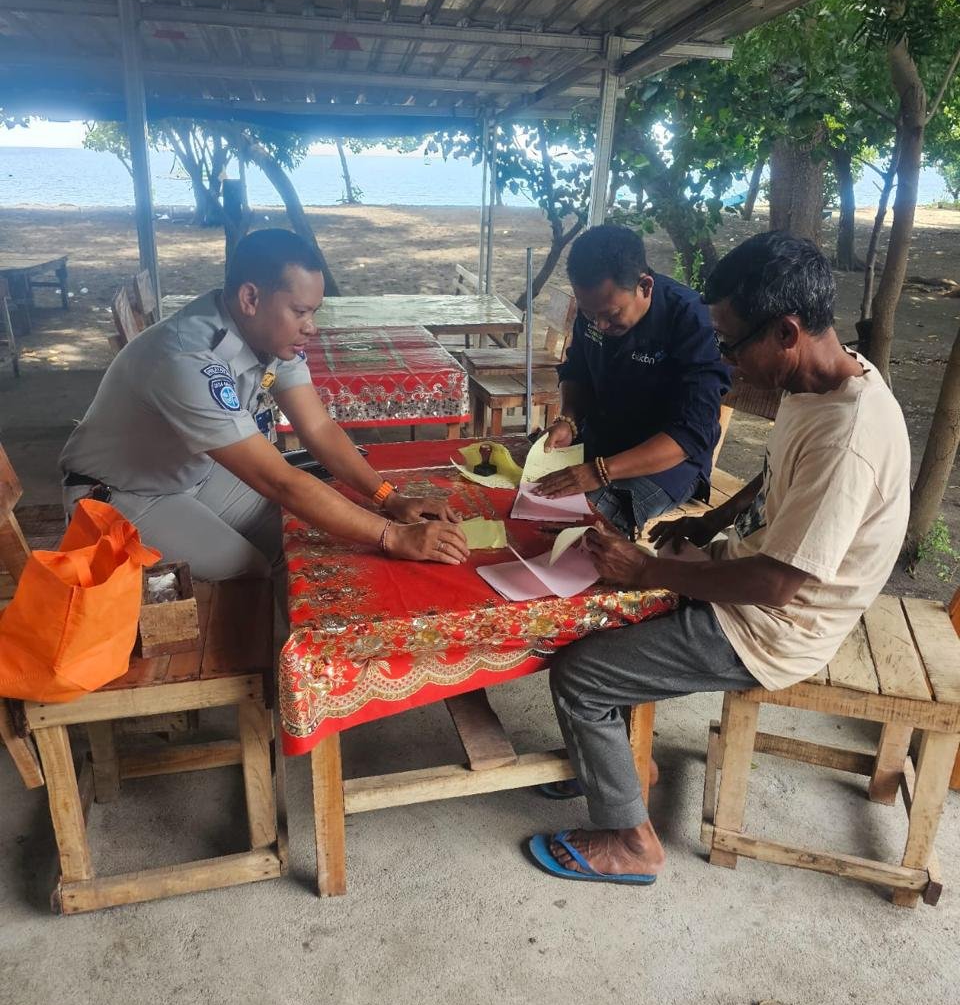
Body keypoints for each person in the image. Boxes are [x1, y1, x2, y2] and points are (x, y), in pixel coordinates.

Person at [526, 231, 911, 886]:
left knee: (581, 675)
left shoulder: (850, 440)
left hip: (775, 626)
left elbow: (778, 583)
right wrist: (712, 522)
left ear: (787, 332)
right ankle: (625, 766)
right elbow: (777, 479)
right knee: (598, 608)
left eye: (733, 344)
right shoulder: (824, 383)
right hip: (747, 576)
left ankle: (632, 842)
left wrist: (649, 570)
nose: (728, 361)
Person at [60, 229, 469, 583]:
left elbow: (319, 428)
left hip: (193, 474)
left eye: (314, 312)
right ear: (251, 297)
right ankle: (276, 665)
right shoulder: (187, 359)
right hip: (120, 495)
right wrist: (393, 536)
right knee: (252, 569)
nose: (311, 326)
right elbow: (281, 481)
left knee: (302, 534)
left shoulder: (271, 338)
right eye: (300, 311)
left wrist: (389, 500)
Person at [536, 224, 730, 537]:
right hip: (601, 442)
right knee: (528, 490)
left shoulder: (692, 320)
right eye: (589, 314)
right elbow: (577, 371)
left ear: (645, 286)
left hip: (667, 462)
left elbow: (692, 433)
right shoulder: (596, 311)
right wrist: (568, 420)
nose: (599, 323)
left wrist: (601, 471)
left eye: (611, 315)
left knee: (586, 523)